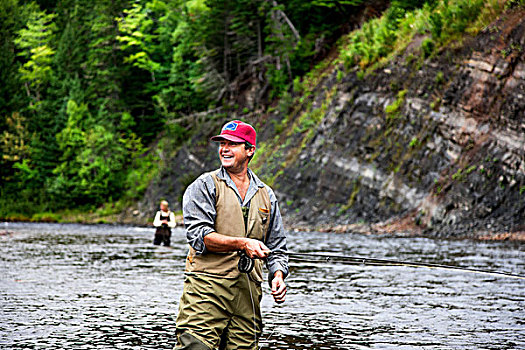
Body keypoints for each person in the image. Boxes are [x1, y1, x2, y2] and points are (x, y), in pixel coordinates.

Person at [175, 120, 288, 350]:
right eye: (222, 143)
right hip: (207, 290)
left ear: (250, 150)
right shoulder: (204, 186)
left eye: (233, 144)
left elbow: (276, 246)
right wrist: (242, 243)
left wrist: (277, 275)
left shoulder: (267, 195)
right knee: (195, 347)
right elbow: (200, 237)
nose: (224, 149)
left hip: (248, 294)